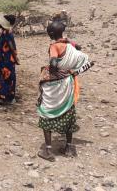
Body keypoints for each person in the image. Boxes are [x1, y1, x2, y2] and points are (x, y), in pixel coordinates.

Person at [37, 21, 92, 162]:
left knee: (46, 111)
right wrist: (71, 71)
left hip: (55, 87)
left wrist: (51, 68)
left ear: (50, 34)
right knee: (68, 111)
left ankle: (48, 151)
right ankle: (68, 147)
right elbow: (80, 51)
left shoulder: (54, 46)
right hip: (68, 85)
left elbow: (54, 64)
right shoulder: (70, 45)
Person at [0, 15, 19, 104]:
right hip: (6, 59)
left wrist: (15, 58)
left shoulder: (7, 34)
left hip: (6, 60)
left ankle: (7, 98)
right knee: (8, 77)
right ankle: (8, 96)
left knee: (6, 77)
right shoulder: (5, 32)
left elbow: (11, 46)